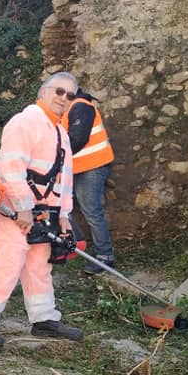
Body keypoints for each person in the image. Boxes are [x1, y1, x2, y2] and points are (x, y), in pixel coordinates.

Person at [0, 72, 84, 348]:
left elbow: (65, 178)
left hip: (45, 213)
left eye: (70, 95)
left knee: (39, 265)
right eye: (59, 91)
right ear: (44, 91)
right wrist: (23, 208)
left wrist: (64, 216)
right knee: (7, 263)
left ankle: (44, 319)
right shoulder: (24, 122)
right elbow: (11, 166)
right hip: (15, 211)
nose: (64, 99)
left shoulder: (60, 133)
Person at [62, 87, 116, 275]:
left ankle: (105, 258)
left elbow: (77, 139)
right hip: (80, 168)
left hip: (92, 166)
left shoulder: (80, 107)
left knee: (92, 211)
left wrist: (55, 156)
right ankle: (71, 248)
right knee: (64, 207)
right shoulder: (72, 108)